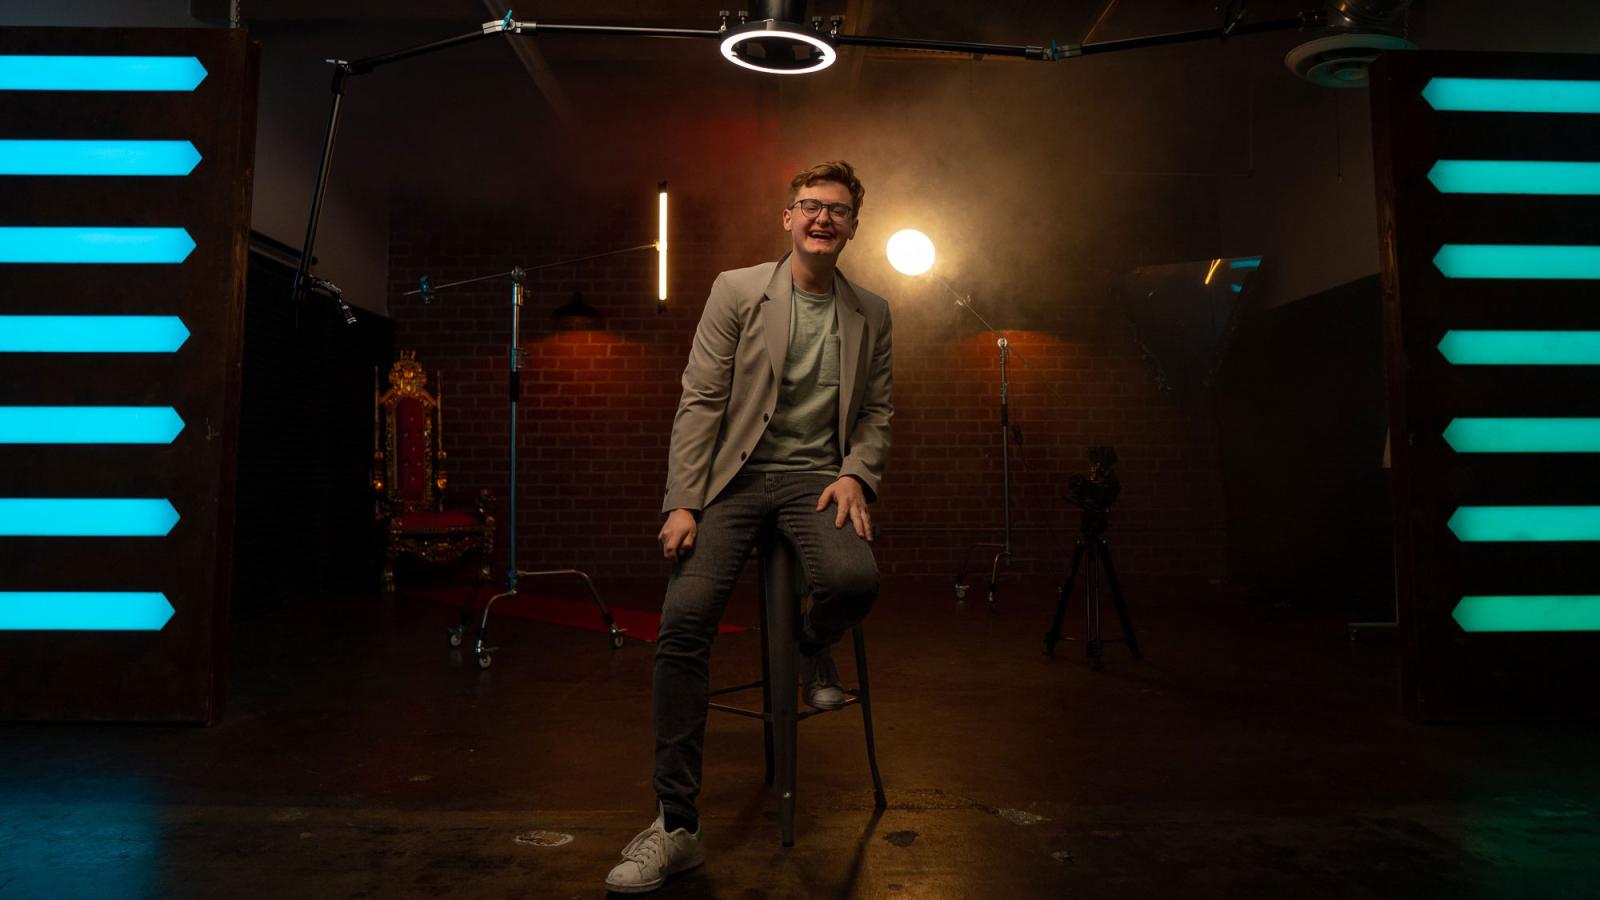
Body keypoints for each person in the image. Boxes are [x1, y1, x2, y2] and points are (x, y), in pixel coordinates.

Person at [604, 160, 894, 894]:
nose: (822, 218)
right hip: (733, 479)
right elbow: (702, 397)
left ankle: (805, 649)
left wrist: (856, 472)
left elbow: (877, 412)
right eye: (809, 206)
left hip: (815, 480)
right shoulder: (737, 290)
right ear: (788, 218)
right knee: (683, 621)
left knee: (855, 577)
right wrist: (684, 501)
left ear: (854, 226)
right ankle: (675, 825)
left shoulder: (873, 312)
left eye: (837, 209)